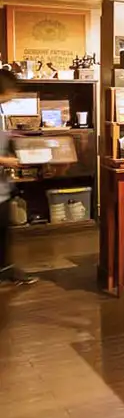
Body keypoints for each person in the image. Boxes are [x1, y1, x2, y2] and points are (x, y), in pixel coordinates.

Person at [0, 70, 37, 288]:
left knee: (4, 231)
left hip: (2, 189)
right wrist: (7, 161)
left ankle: (6, 270)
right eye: (13, 89)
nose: (15, 93)